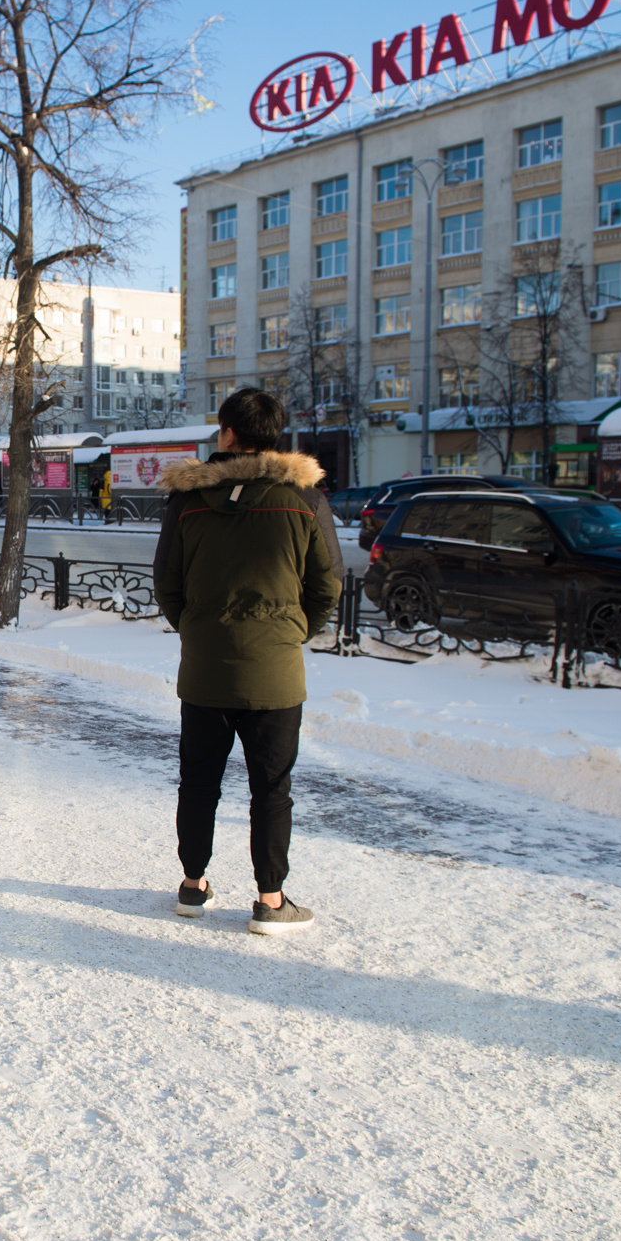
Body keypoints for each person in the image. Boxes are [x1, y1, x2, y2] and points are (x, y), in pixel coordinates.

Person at [154, 387, 341, 936]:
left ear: (229, 434)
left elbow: (167, 583)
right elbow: (327, 583)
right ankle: (270, 899)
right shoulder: (304, 499)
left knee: (199, 781)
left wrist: (196, 628)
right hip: (276, 675)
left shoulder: (186, 501)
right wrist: (292, 631)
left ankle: (193, 887)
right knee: (271, 787)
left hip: (206, 669)